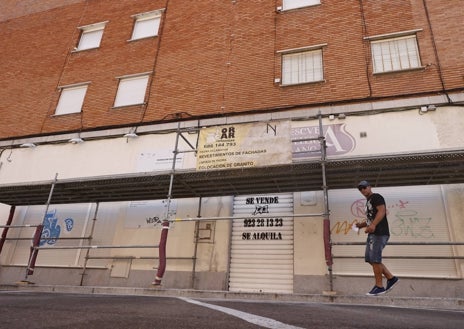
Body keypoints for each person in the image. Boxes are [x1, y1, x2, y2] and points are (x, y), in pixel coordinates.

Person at [355, 180, 399, 296]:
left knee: (375, 258)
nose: (362, 190)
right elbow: (371, 218)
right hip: (373, 234)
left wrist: (373, 225)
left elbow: (382, 211)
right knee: (370, 258)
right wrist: (361, 225)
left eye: (364, 187)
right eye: (360, 189)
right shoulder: (368, 202)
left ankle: (379, 286)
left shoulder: (376, 197)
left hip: (380, 233)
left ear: (370, 187)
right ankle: (391, 278)